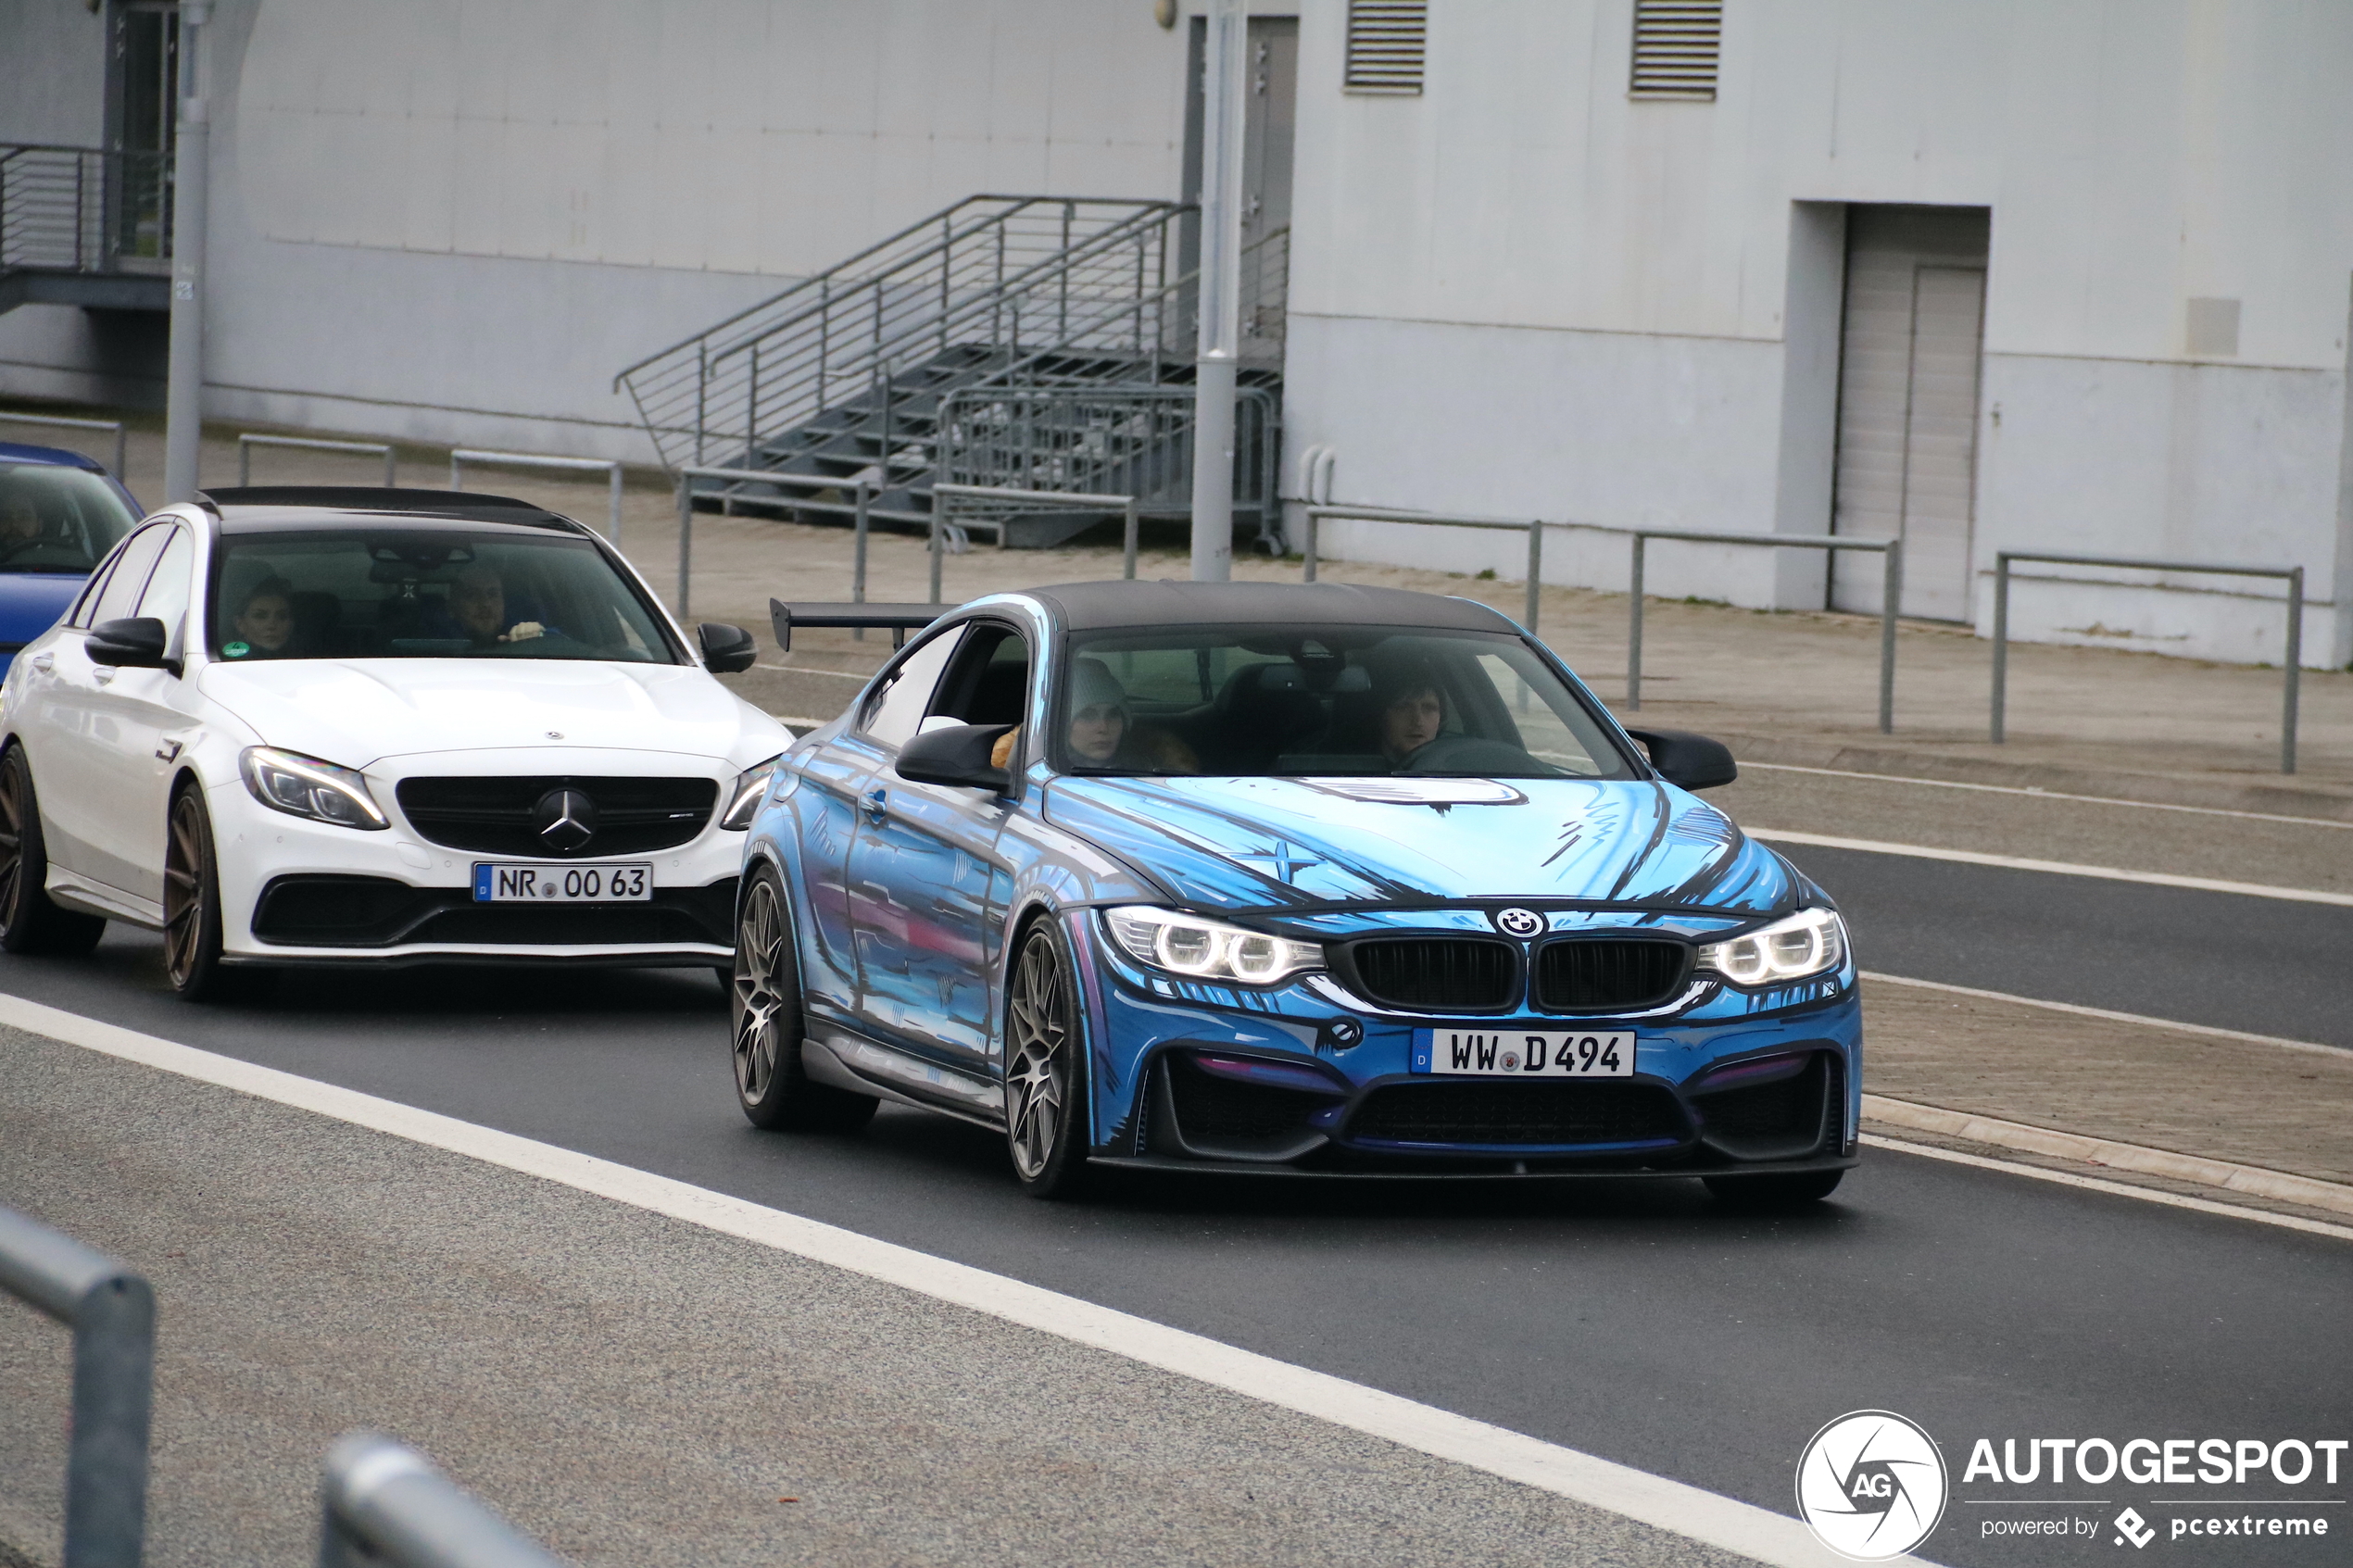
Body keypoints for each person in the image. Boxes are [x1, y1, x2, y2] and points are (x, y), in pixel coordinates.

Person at [989, 657, 1196, 772]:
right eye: (1087, 715)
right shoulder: (1016, 776)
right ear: (1061, 724)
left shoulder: (1159, 769)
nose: (1103, 727)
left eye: (1113, 715)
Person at [438, 564, 544, 648]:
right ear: (451, 609)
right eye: (471, 595)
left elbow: (558, 635)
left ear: (504, 603)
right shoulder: (434, 647)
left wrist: (538, 635)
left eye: (493, 594)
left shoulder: (524, 636)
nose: (486, 603)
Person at [222, 576, 297, 658]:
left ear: (291, 624)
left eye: (282, 616)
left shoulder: (307, 661)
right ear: (240, 624)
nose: (271, 625)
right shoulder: (225, 662)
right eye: (260, 616)